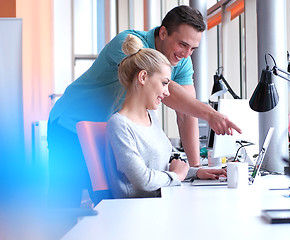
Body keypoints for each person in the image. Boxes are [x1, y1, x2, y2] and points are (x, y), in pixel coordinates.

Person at [47, 5, 240, 208]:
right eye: (183, 45)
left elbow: (186, 113)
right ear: (163, 32)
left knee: (101, 201)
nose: (186, 54)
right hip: (70, 123)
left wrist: (194, 169)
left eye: (193, 49)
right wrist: (210, 114)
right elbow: (168, 92)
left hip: (106, 132)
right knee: (64, 204)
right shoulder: (129, 44)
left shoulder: (181, 61)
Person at [105, 34, 226, 198]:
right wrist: (178, 176)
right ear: (143, 77)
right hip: (137, 211)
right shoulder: (119, 125)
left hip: (160, 202)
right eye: (164, 83)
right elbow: (144, 180)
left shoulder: (151, 117)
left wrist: (196, 173)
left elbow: (161, 171)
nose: (167, 92)